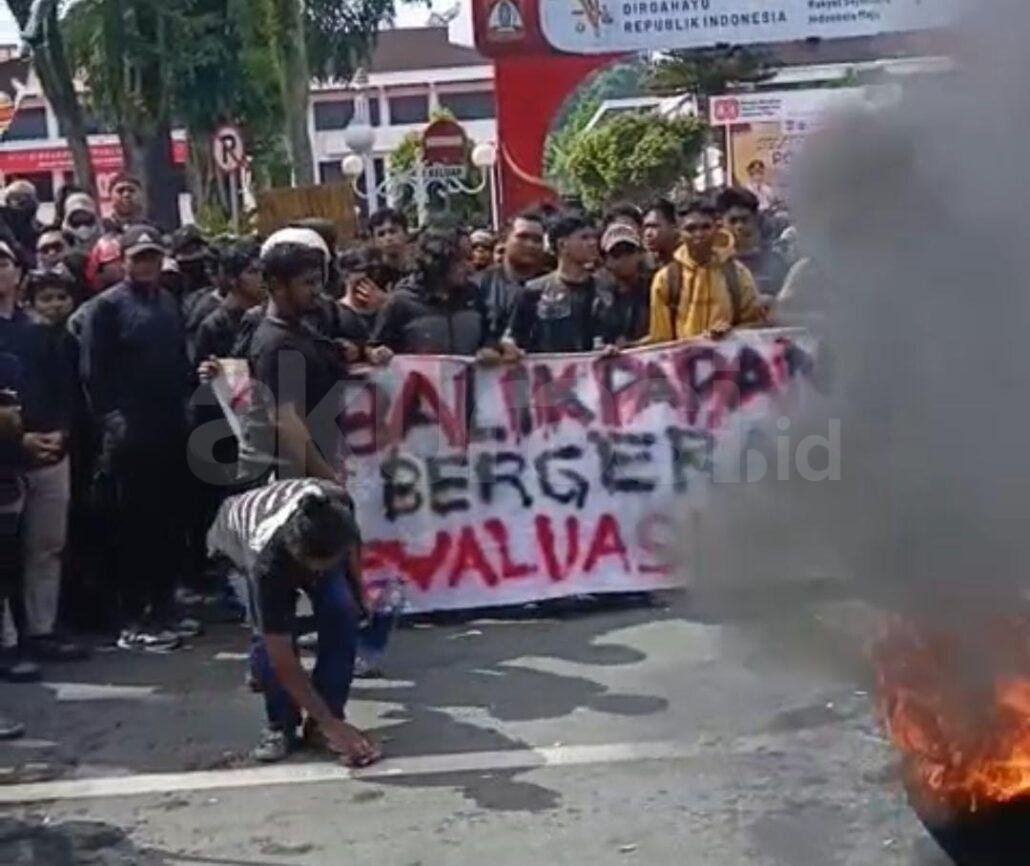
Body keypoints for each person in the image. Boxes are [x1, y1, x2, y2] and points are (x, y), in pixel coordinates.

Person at [206, 478, 380, 765]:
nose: (318, 575)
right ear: (300, 556)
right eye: (316, 569)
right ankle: (281, 726)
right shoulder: (267, 564)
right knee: (267, 642)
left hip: (304, 535)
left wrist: (360, 591)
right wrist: (332, 726)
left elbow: (351, 546)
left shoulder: (336, 505)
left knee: (343, 612)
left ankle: (324, 721)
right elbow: (282, 657)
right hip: (236, 538)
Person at [81, 225, 193, 651]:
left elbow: (179, 359)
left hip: (168, 429)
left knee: (167, 523)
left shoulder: (167, 301)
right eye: (138, 256)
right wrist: (112, 422)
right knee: (132, 527)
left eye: (152, 256)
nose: (146, 264)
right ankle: (134, 618)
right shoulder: (105, 309)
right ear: (122, 259)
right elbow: (93, 374)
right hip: (129, 435)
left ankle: (164, 608)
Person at [14, 268, 87, 661]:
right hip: (8, 457)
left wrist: (59, 432)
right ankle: (10, 639)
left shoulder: (44, 336)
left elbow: (67, 391)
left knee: (47, 546)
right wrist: (17, 437)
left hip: (51, 453)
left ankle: (42, 629)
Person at [245, 228, 349, 484]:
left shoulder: (301, 330)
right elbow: (286, 421)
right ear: (277, 286)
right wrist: (329, 478)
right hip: (300, 482)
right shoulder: (275, 344)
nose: (317, 291)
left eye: (318, 281)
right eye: (307, 283)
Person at [646, 199, 766, 342]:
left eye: (705, 227)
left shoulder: (737, 273)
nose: (699, 234)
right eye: (691, 229)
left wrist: (731, 333)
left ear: (716, 228)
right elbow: (660, 339)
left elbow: (755, 325)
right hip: (683, 363)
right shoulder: (665, 279)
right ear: (679, 231)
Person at [369, 224, 497, 358]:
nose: (470, 268)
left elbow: (490, 337)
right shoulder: (400, 301)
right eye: (461, 260)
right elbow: (375, 347)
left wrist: (490, 349)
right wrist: (378, 353)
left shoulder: (473, 295)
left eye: (470, 258)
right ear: (437, 261)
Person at [505, 212, 602, 354]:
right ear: (562, 245)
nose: (593, 243)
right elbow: (514, 339)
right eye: (584, 238)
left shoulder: (605, 289)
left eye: (594, 237)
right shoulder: (534, 291)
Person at [473, 210, 546, 346]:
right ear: (504, 241)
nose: (530, 245)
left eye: (537, 240)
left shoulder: (552, 286)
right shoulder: (479, 285)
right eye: (522, 237)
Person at [717, 187, 790, 298]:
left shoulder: (775, 261)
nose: (739, 226)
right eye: (733, 221)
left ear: (755, 219)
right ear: (721, 222)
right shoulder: (714, 264)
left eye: (744, 219)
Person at [593, 223, 650, 348]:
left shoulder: (653, 288)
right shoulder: (594, 291)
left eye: (629, 251)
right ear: (605, 259)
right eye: (617, 254)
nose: (624, 258)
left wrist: (632, 346)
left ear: (640, 254)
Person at [367, 208, 410, 288]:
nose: (388, 238)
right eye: (381, 234)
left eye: (392, 231)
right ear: (374, 241)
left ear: (406, 234)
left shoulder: (421, 272)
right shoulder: (371, 278)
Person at [3, 180, 42, 264]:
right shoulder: (3, 221)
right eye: (15, 198)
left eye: (23, 197)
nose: (18, 201)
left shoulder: (37, 225)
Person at [642, 198, 680, 269]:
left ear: (673, 227)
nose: (648, 233)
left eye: (654, 226)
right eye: (645, 227)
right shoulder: (645, 265)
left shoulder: (688, 257)